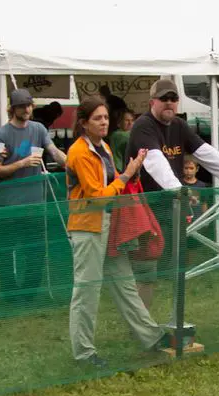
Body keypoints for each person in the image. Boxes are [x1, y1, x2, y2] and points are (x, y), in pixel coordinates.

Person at [127, 78, 219, 308]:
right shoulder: (143, 126)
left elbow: (205, 152)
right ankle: (139, 325)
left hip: (169, 208)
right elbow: (155, 161)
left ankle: (166, 322)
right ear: (151, 102)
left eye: (173, 99)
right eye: (163, 99)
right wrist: (178, 190)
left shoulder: (179, 126)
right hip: (142, 210)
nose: (169, 103)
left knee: (174, 269)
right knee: (146, 272)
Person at [65, 96, 165, 369]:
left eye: (106, 117)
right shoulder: (79, 152)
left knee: (125, 282)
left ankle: (152, 336)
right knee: (87, 291)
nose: (104, 122)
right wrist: (125, 175)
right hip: (87, 229)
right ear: (84, 123)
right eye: (97, 118)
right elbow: (98, 197)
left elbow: (112, 185)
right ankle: (84, 353)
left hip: (111, 226)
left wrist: (130, 174)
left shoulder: (105, 148)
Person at [0, 88, 67, 304]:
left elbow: (54, 152)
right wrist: (22, 163)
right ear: (12, 109)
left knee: (35, 252)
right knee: (7, 253)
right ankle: (10, 295)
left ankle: (29, 294)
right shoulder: (0, 135)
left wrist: (72, 162)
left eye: (29, 105)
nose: (27, 109)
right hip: (7, 204)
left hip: (35, 204)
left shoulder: (39, 128)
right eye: (22, 106)